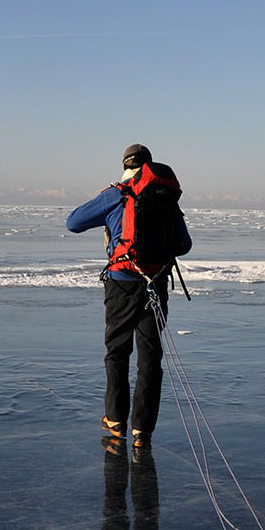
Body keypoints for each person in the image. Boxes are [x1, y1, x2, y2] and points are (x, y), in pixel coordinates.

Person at [66, 144, 191, 448]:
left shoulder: (117, 193)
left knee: (117, 352)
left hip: (122, 284)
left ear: (125, 165)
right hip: (155, 284)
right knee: (150, 358)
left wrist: (106, 200)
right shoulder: (165, 195)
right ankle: (142, 431)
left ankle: (116, 420)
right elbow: (184, 244)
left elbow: (73, 223)